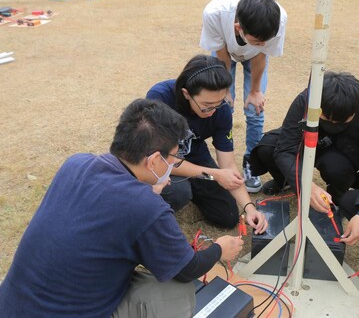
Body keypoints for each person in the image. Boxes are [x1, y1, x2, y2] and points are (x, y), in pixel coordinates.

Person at [0, 99, 244, 317]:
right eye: (172, 157)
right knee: (174, 293)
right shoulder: (147, 208)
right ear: (154, 161)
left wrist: (146, 194)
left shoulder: (76, 163)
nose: (174, 163)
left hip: (11, 305)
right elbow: (186, 269)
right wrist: (219, 250)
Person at [250, 71, 359, 245]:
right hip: (306, 142)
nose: (333, 124)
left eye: (341, 121)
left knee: (337, 168)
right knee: (268, 149)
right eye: (327, 119)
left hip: (343, 153)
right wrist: (305, 185)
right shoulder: (307, 99)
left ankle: (335, 196)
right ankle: (287, 182)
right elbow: (285, 149)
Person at [146, 54, 268, 232]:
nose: (213, 111)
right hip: (159, 160)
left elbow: (228, 164)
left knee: (227, 216)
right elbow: (161, 158)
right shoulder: (161, 97)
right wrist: (215, 174)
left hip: (195, 156)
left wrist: (249, 207)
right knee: (179, 193)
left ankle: (192, 185)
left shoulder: (221, 110)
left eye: (218, 103)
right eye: (207, 105)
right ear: (187, 94)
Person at [200, 0, 287, 193]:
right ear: (238, 28)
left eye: (267, 39)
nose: (263, 43)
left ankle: (252, 166)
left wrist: (255, 91)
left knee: (255, 110)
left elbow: (261, 53)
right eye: (257, 40)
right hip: (224, 54)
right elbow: (222, 54)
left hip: (255, 58)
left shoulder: (278, 19)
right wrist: (224, 90)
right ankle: (224, 166)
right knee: (222, 107)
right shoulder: (215, 13)